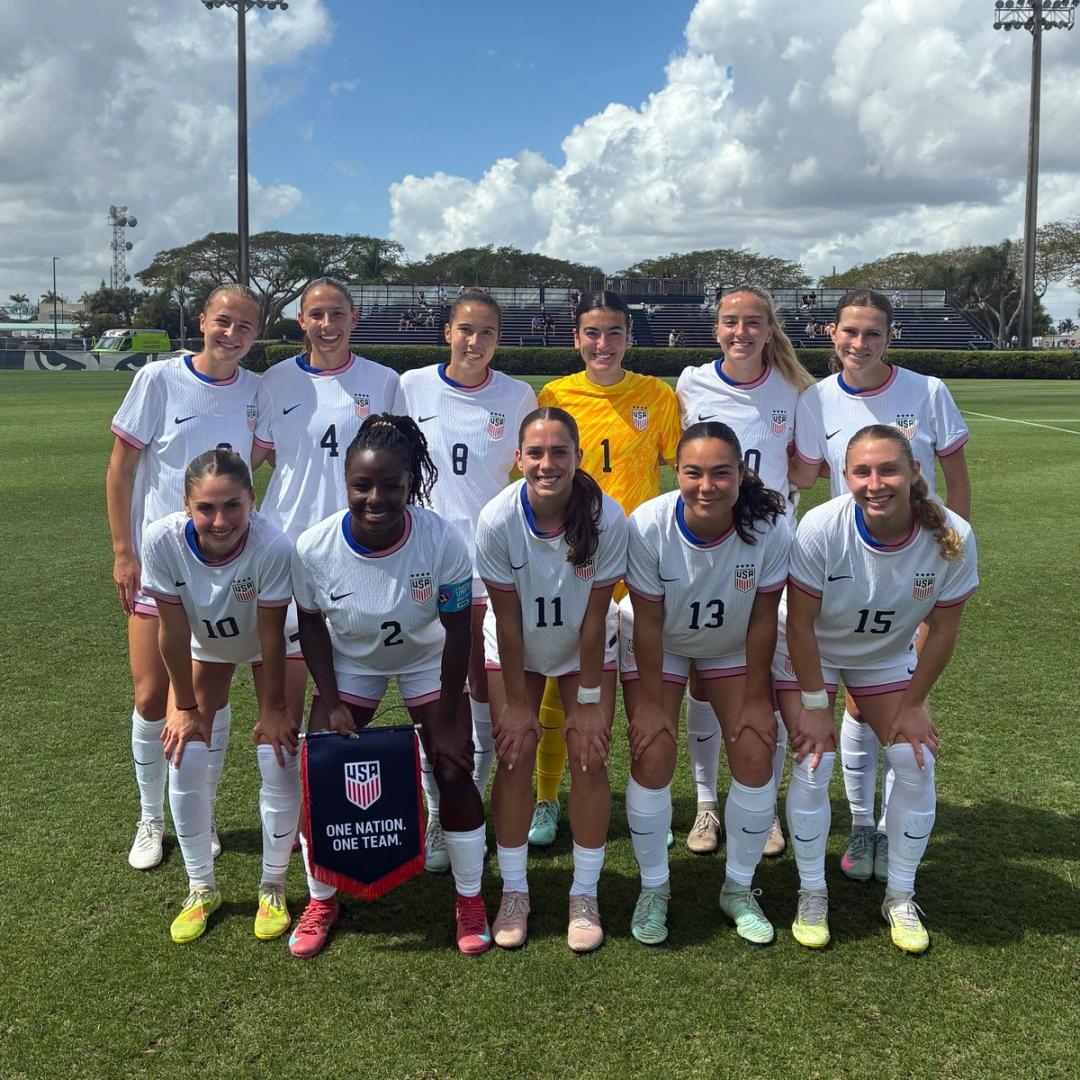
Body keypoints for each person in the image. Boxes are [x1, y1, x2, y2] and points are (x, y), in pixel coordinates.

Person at [289, 414, 490, 957]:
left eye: (391, 485)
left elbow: (457, 629)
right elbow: (310, 623)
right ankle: (322, 899)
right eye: (362, 485)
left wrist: (449, 712)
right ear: (345, 483)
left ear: (410, 484)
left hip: (426, 658)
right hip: (355, 662)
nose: (375, 498)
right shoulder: (314, 547)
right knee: (323, 770)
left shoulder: (440, 540)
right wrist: (330, 703)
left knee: (453, 766)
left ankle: (469, 898)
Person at [789, 288, 971, 884]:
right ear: (831, 334)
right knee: (852, 704)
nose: (859, 344)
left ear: (889, 338)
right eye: (849, 332)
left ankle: (887, 835)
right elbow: (806, 476)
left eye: (872, 333)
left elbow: (955, 482)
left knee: (894, 714)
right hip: (849, 567)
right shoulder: (815, 399)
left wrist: (942, 567)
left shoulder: (928, 390)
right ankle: (863, 824)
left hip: (911, 566)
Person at [776, 424, 978, 952]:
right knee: (811, 758)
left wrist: (914, 703)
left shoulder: (952, 535)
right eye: (861, 471)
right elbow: (799, 626)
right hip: (808, 649)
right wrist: (817, 706)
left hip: (882, 655)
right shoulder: (822, 526)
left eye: (888, 469)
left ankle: (900, 894)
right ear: (844, 477)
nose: (875, 482)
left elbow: (945, 630)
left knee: (915, 758)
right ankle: (812, 891)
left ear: (915, 473)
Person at [106, 284, 269, 872]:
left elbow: (274, 460)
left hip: (223, 573)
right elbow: (121, 470)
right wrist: (125, 552)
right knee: (152, 696)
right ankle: (151, 816)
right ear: (202, 320)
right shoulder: (157, 379)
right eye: (223, 321)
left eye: (245, 327)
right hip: (161, 566)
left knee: (208, 701)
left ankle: (200, 812)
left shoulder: (257, 390)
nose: (231, 334)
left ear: (257, 335)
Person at [621, 423, 791, 945]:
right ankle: (654, 887)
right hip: (659, 640)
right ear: (677, 471)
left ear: (741, 474)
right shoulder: (648, 523)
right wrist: (651, 704)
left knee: (757, 750)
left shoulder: (769, 527)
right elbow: (648, 621)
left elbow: (765, 618)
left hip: (732, 641)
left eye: (721, 473)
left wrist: (759, 699)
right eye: (694, 472)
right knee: (653, 751)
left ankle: (737, 889)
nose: (707, 485)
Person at [530, 291, 681, 848]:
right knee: (557, 684)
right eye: (592, 333)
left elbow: (681, 466)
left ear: (628, 337)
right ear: (576, 338)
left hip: (638, 560)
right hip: (570, 558)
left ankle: (646, 801)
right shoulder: (555, 394)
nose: (602, 344)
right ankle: (547, 799)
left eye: (613, 332)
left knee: (642, 691)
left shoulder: (656, 395)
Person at [476, 407, 628, 951]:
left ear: (578, 457)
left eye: (559, 452)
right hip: (515, 647)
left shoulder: (608, 517)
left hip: (582, 648)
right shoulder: (496, 520)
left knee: (589, 754)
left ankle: (583, 893)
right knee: (514, 754)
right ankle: (515, 890)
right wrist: (517, 702)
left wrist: (588, 700)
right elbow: (508, 616)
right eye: (535, 453)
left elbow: (595, 616)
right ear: (518, 459)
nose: (547, 463)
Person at [675, 286, 815, 858]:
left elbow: (805, 473)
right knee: (705, 680)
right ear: (716, 329)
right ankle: (707, 804)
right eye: (730, 322)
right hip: (707, 554)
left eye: (752, 322)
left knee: (771, 682)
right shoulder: (690, 383)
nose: (741, 332)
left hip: (771, 553)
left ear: (768, 328)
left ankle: (766, 804)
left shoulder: (796, 390)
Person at [400, 290, 537, 857]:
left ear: (497, 339)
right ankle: (438, 810)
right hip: (421, 564)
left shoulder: (517, 394)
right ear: (447, 333)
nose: (474, 342)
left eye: (486, 332)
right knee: (438, 694)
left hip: (490, 566)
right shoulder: (409, 386)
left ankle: (469, 800)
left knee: (485, 689)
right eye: (464, 329)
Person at [140, 449, 296, 943]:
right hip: (205, 644)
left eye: (233, 505)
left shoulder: (273, 545)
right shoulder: (162, 540)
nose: (220, 519)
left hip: (274, 643)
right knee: (183, 751)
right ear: (187, 506)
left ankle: (273, 885)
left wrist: (271, 710)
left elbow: (270, 636)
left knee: (278, 751)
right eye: (206, 507)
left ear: (253, 499)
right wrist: (185, 708)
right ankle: (200, 887)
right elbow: (170, 629)